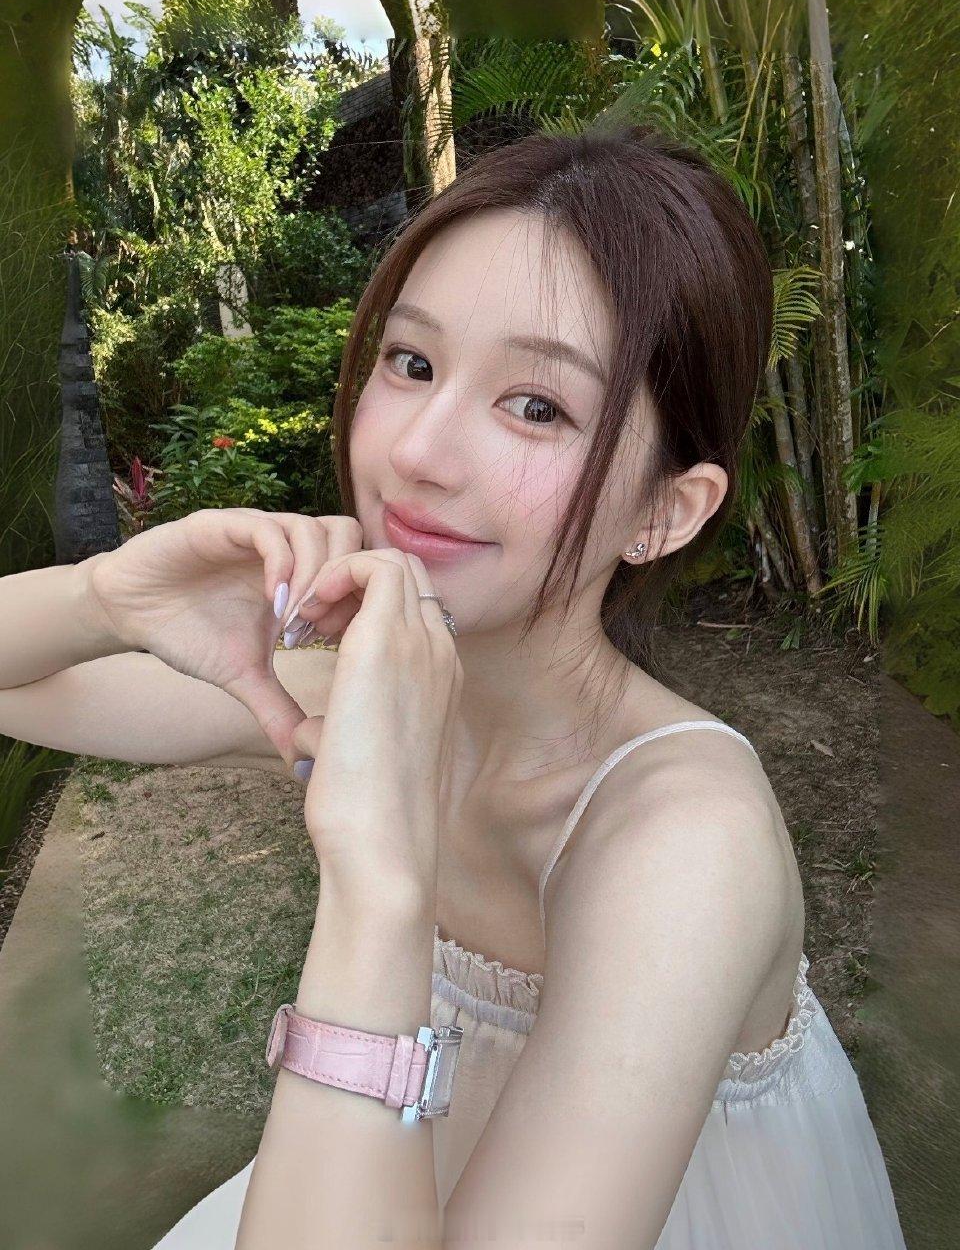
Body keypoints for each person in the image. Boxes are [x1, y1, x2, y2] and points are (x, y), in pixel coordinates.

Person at [0, 125, 907, 1249]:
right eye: (413, 363)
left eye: (538, 406)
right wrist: (105, 596)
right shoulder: (352, 681)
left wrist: (380, 883)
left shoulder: (684, 843)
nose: (418, 454)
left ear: (663, 510)